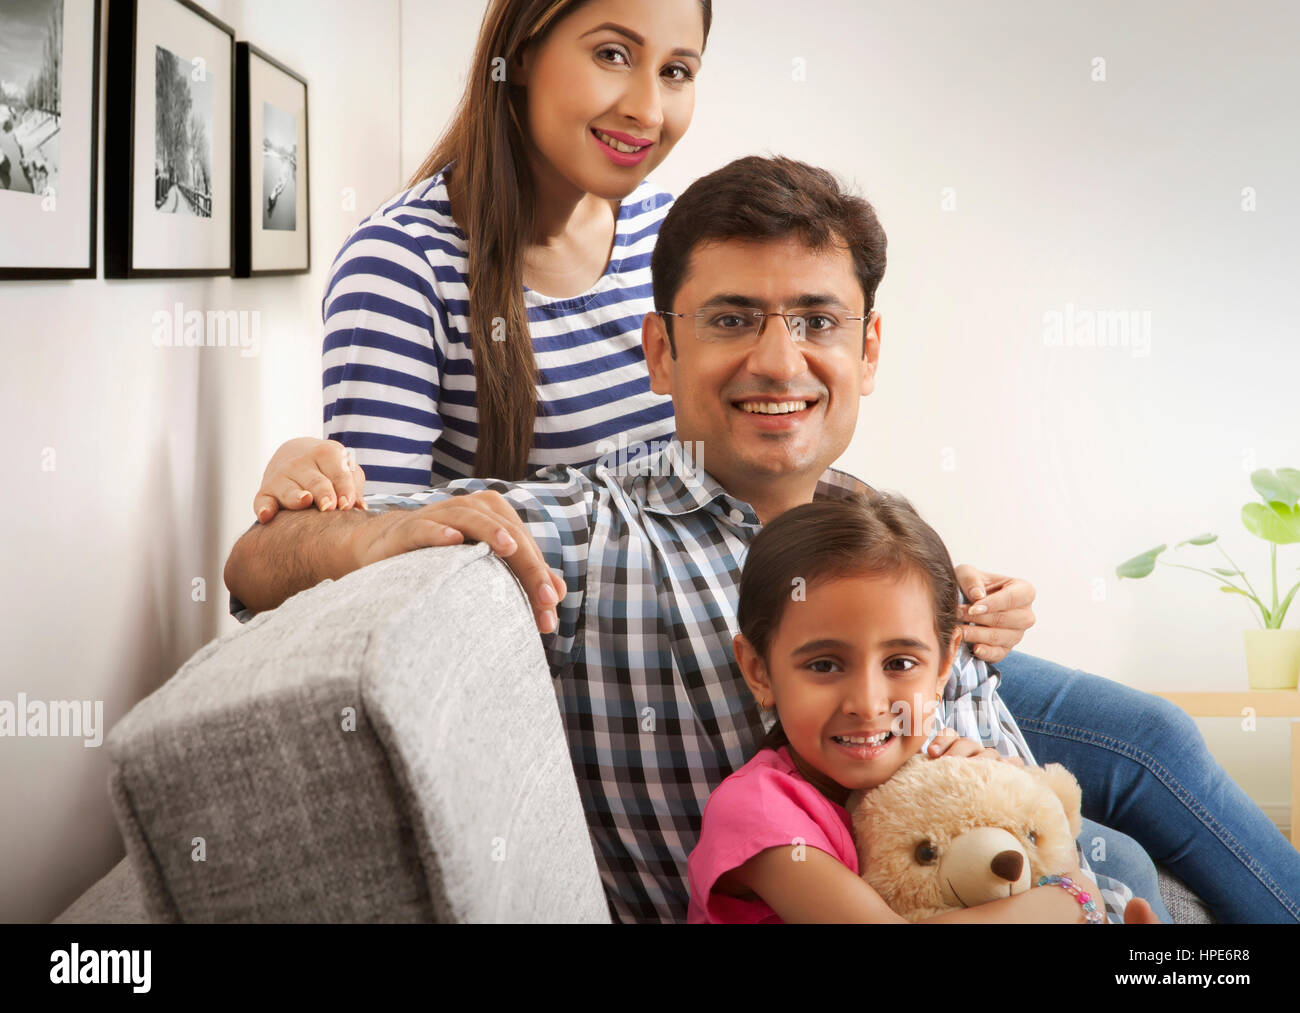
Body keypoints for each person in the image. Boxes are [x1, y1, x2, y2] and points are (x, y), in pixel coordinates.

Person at [225, 154, 1205, 923]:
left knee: (1124, 842)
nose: (778, 361)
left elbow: (1038, 832)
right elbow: (256, 567)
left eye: (817, 320)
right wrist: (372, 525)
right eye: (731, 318)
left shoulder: (888, 538)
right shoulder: (593, 531)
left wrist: (1076, 891)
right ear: (661, 351)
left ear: (866, 351)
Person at [688, 492, 1158, 923]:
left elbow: (1035, 855)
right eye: (825, 664)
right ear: (759, 670)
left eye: (900, 662)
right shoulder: (756, 809)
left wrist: (999, 805)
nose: (868, 704)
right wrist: (1072, 897)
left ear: (944, 665)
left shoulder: (940, 771)